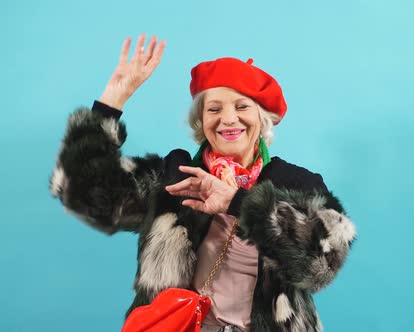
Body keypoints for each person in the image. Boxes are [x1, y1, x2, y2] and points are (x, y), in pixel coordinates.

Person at [49, 34, 356, 332]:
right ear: (202, 122)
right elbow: (81, 190)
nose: (228, 119)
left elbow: (324, 263)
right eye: (214, 109)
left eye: (241, 106)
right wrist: (113, 99)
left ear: (262, 119)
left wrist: (236, 202)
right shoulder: (178, 174)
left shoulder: (295, 182)